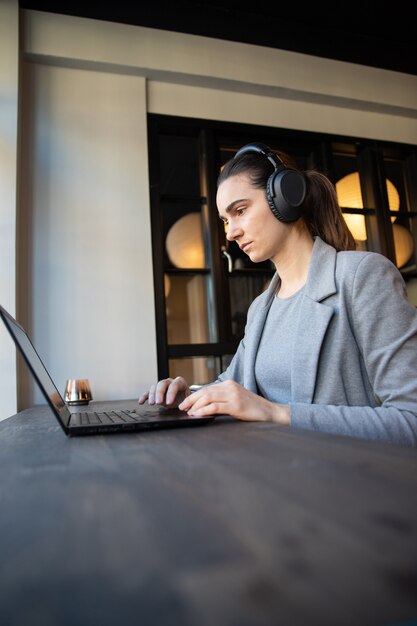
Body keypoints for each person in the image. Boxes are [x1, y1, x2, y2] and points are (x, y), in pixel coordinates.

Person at [139, 142, 417, 447]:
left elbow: (410, 418)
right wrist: (189, 396)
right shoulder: (262, 308)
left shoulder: (362, 275)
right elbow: (230, 386)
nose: (231, 232)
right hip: (276, 476)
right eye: (226, 220)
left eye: (240, 211)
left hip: (348, 482)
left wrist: (275, 413)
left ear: (284, 197)